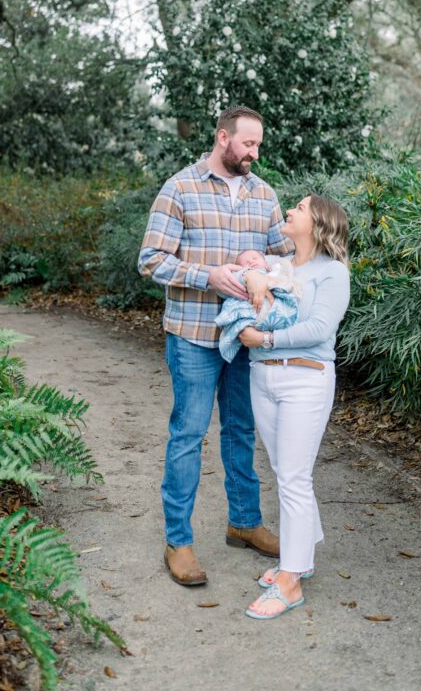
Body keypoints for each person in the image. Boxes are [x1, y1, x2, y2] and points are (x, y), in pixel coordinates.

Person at [138, 106, 293, 586]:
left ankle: (244, 523)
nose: (255, 153)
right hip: (193, 336)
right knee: (188, 435)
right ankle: (178, 542)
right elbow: (151, 260)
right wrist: (209, 276)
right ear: (223, 138)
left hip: (245, 339)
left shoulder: (263, 193)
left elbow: (286, 259)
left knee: (242, 431)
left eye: (259, 145)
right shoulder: (179, 187)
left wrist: (259, 263)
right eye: (248, 144)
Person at [237, 193, 350, 619]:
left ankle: (291, 580)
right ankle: (301, 558)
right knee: (285, 473)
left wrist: (265, 339)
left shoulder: (333, 272)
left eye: (299, 208)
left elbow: (320, 328)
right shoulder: (282, 266)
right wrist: (253, 277)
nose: (288, 211)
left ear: (319, 224)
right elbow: (250, 273)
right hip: (262, 377)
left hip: (305, 379)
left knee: (295, 478)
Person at [215, 250, 302, 363]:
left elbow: (285, 281)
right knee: (233, 305)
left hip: (275, 311)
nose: (251, 262)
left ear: (266, 263)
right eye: (245, 262)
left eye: (255, 258)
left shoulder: (275, 271)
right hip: (251, 313)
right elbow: (225, 288)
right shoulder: (242, 276)